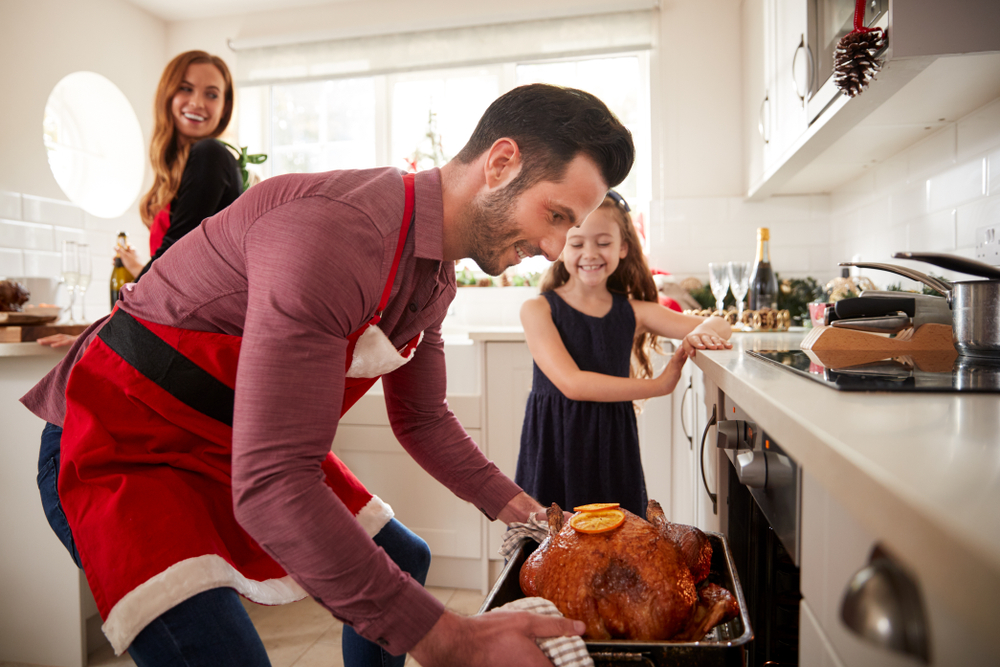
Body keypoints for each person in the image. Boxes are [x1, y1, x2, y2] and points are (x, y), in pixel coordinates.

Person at [21, 82, 635, 667]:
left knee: (403, 554)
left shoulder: (437, 275)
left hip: (226, 443)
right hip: (119, 440)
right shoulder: (336, 233)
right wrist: (450, 640)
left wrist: (534, 517)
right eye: (555, 215)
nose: (557, 250)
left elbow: (422, 420)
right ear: (500, 163)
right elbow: (273, 483)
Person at [515, 191, 733, 518]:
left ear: (623, 247)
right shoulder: (537, 309)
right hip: (555, 447)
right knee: (551, 549)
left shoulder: (636, 312)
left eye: (603, 242)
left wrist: (701, 332)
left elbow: (721, 326)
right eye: (576, 244)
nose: (590, 253)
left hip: (611, 446)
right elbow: (573, 384)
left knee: (617, 545)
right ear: (561, 247)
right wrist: (660, 384)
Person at [37, 50, 243, 350]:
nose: (197, 102)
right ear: (168, 95)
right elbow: (183, 262)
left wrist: (101, 332)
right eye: (186, 89)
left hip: (197, 339)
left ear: (224, 107)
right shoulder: (181, 170)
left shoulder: (210, 154)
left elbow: (174, 255)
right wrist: (140, 270)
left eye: (211, 94)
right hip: (185, 329)